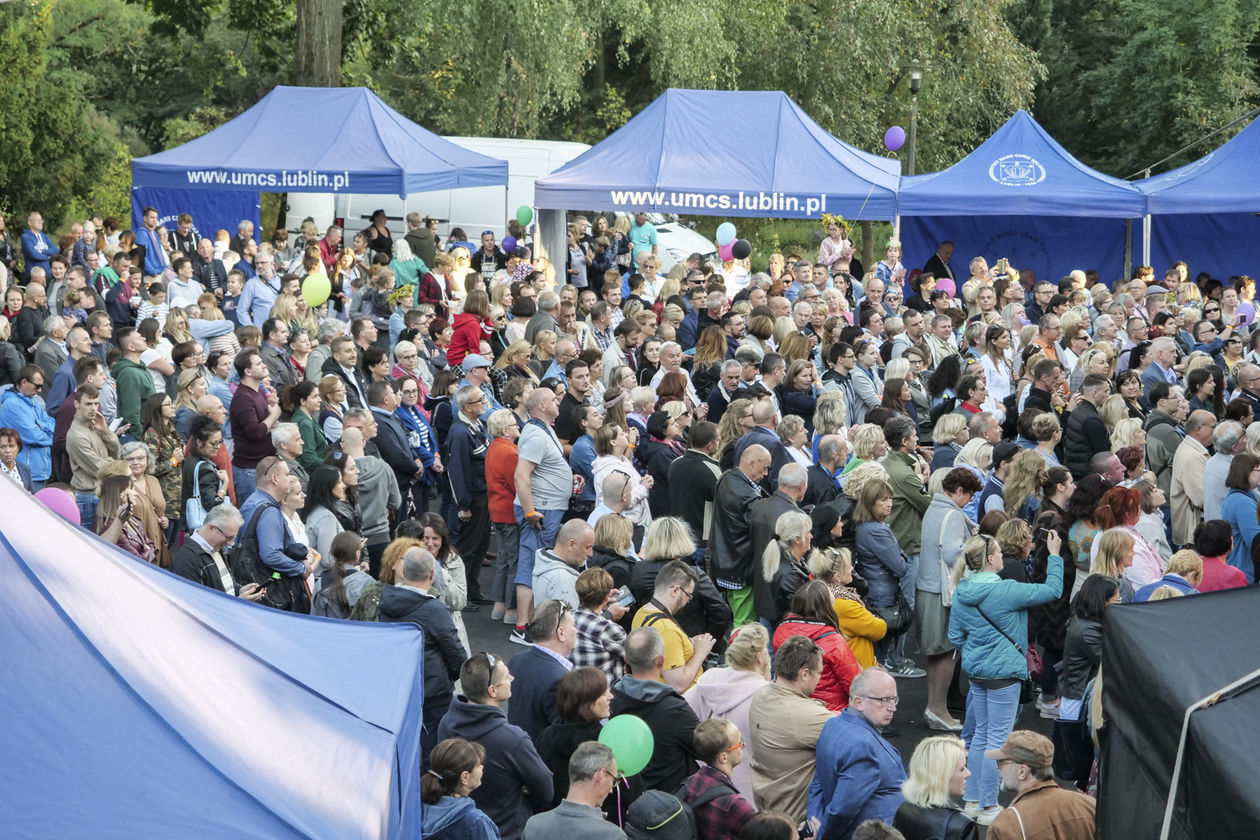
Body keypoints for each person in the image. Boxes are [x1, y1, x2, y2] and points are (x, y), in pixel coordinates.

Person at [948, 532, 1064, 825]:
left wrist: (977, 652)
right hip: (1003, 674)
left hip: (977, 673)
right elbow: (1053, 590)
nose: (1002, 556)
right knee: (997, 740)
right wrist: (1054, 555)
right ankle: (988, 806)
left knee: (980, 737)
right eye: (998, 551)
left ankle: (972, 801)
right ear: (989, 558)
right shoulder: (1007, 590)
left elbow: (955, 636)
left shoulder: (962, 591)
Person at [436, 653, 554, 840]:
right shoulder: (513, 739)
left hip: (458, 829)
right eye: (507, 676)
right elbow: (546, 790)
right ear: (492, 690)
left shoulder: (446, 722)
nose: (512, 678)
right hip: (506, 833)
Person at [380, 547, 467, 767]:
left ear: (403, 571)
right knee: (434, 756)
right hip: (432, 694)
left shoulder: (385, 600)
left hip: (396, 690)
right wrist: (449, 678)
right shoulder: (433, 610)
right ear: (432, 575)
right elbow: (457, 654)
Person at [808, 668, 908, 840]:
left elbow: (817, 785)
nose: (892, 708)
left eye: (894, 699)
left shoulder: (832, 725)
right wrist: (821, 835)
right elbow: (842, 809)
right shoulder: (862, 744)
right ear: (858, 702)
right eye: (884, 700)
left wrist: (814, 823)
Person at [917, 467, 982, 730]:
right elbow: (952, 555)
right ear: (957, 491)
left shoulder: (933, 508)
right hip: (942, 592)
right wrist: (974, 551)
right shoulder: (953, 515)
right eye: (968, 495)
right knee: (947, 652)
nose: (969, 501)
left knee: (936, 653)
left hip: (927, 588)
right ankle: (938, 709)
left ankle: (935, 708)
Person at [748, 635, 835, 822]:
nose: (819, 678)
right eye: (819, 673)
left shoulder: (761, 694)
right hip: (794, 821)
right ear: (804, 674)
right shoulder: (805, 715)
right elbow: (852, 729)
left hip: (767, 808)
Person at [684, 623, 771, 806]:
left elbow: (680, 712)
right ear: (759, 657)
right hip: (749, 791)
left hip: (707, 785)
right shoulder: (767, 695)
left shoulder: (710, 680)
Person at [610, 626, 702, 793]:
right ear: (661, 661)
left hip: (626, 795)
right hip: (671, 802)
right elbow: (704, 747)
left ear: (627, 660)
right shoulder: (673, 707)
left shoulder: (610, 700)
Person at [513, 386, 574, 640]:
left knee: (539, 563)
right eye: (553, 399)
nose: (558, 401)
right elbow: (520, 475)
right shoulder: (535, 435)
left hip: (549, 507)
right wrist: (530, 512)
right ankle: (523, 627)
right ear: (540, 406)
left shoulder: (545, 428)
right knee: (532, 563)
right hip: (541, 510)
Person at [534, 668, 636, 818]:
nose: (611, 696)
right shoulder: (604, 743)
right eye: (603, 693)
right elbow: (630, 790)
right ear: (586, 703)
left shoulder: (546, 736)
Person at [1053, 574, 1118, 788]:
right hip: (1081, 701)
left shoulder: (1085, 619)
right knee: (1084, 765)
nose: (1119, 603)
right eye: (1115, 600)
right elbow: (1110, 662)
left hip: (1076, 695)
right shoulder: (1089, 631)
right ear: (1102, 600)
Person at [983, 732, 1095, 840]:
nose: (998, 767)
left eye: (1001, 762)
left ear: (1022, 772)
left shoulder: (1006, 824)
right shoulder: (1090, 805)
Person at [773, 581, 862, 712]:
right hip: (829, 711)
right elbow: (854, 686)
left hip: (792, 706)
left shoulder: (781, 631)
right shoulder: (832, 640)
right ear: (827, 607)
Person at [712, 445, 770, 625]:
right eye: (765, 468)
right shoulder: (744, 494)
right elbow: (763, 521)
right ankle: (736, 655)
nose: (766, 473)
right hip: (740, 570)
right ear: (752, 464)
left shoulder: (727, 477)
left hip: (728, 565)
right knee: (745, 627)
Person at [523, 741, 626, 840]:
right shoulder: (612, 835)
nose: (611, 790)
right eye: (613, 780)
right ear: (601, 776)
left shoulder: (533, 826)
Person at [507, 598, 577, 740]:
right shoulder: (560, 680)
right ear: (561, 633)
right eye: (574, 625)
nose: (576, 631)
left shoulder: (516, 660)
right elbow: (564, 737)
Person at [681, 718, 758, 840]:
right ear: (723, 757)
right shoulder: (737, 806)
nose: (743, 745)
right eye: (739, 743)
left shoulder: (690, 784)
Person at [169, 503, 265, 600]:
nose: (231, 543)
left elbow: (224, 588)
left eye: (233, 538)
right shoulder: (186, 560)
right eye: (228, 537)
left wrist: (240, 590)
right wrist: (239, 601)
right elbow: (195, 605)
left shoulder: (215, 548)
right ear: (211, 528)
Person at [893, 735, 977, 840]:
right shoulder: (962, 825)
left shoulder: (903, 809)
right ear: (942, 775)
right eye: (961, 769)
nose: (968, 773)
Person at [420, 737, 502, 840]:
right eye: (478, 765)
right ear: (465, 777)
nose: (482, 767)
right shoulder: (477, 823)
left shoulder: (417, 811)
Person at [485, 408, 521, 623]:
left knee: (504, 561)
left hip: (497, 511)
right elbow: (517, 484)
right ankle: (511, 608)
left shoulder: (494, 448)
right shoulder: (510, 452)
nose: (517, 427)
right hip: (509, 513)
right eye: (514, 424)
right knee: (513, 562)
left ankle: (499, 606)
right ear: (505, 429)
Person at [0, 365, 54, 490]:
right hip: (27, 473)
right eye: (37, 386)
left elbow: (52, 423)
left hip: (40, 472)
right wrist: (52, 438)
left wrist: (42, 426)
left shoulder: (34, 402)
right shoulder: (12, 405)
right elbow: (34, 437)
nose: (40, 390)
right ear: (24, 382)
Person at [572, 567, 628, 682]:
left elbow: (590, 624)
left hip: (573, 689)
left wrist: (605, 610)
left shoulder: (567, 618)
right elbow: (633, 659)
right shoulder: (610, 629)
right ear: (607, 597)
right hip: (604, 693)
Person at [531, 518, 596, 608]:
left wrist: (599, 601)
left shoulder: (544, 563)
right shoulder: (563, 580)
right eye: (587, 547)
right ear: (571, 544)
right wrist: (608, 615)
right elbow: (570, 621)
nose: (591, 553)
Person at [95, 474, 158, 563]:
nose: (135, 493)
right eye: (131, 489)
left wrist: (148, 550)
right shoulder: (112, 526)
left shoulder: (133, 519)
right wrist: (148, 550)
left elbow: (152, 545)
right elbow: (136, 560)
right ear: (119, 494)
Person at [311, 531, 374, 619]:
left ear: (333, 554)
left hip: (330, 631)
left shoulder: (321, 582)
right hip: (360, 631)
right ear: (357, 554)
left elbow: (316, 619)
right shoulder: (367, 581)